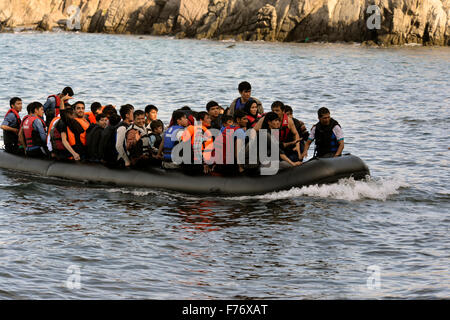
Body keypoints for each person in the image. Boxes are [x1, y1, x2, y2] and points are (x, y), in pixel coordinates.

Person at [215, 110, 248, 175]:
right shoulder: (240, 131)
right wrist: (241, 168)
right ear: (238, 120)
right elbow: (237, 154)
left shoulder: (226, 128)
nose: (246, 121)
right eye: (244, 119)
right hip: (230, 167)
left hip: (220, 164)